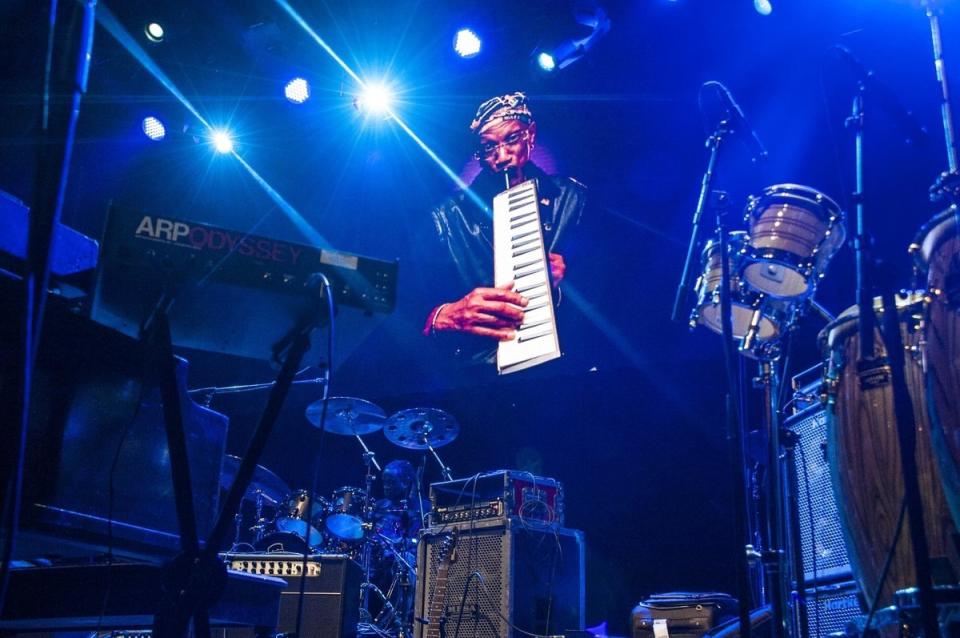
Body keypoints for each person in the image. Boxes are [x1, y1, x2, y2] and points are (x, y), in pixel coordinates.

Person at [423, 92, 588, 369]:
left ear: (530, 135)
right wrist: (444, 315)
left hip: (561, 370)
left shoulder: (572, 198)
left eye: (511, 139)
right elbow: (410, 306)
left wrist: (567, 284)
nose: (502, 157)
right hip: (479, 373)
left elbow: (612, 294)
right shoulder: (448, 217)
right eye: (489, 148)